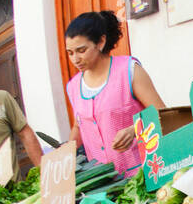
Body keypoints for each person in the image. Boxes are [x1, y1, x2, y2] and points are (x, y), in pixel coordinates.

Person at [64, 10, 164, 175]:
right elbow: (78, 125)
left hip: (144, 173)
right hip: (104, 181)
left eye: (81, 50)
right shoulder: (73, 87)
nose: (75, 59)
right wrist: (65, 154)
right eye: (70, 53)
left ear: (101, 42)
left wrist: (134, 130)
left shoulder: (128, 70)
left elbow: (162, 113)